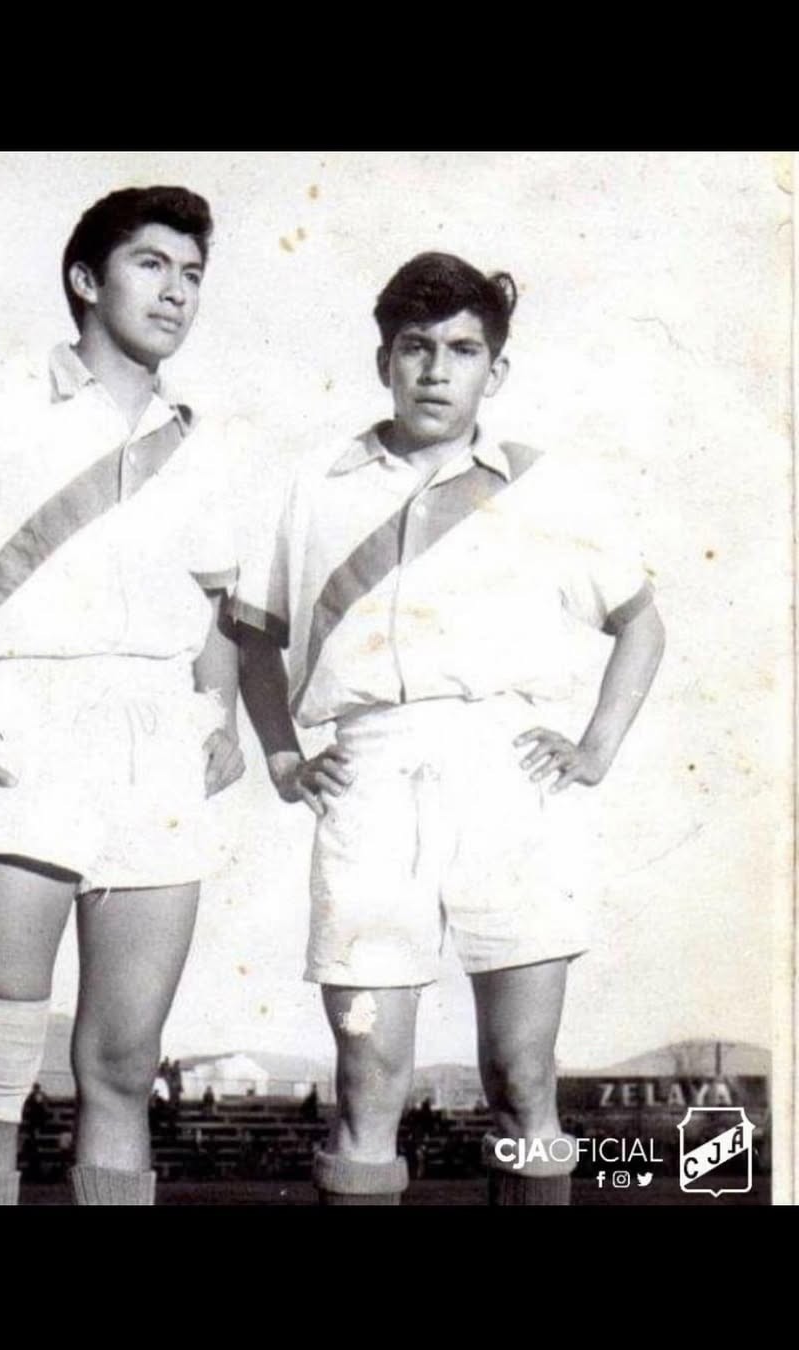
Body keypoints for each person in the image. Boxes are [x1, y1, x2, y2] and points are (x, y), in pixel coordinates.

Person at [0, 186, 244, 1206]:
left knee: (123, 1067)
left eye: (193, 274)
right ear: (85, 279)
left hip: (157, 741)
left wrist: (222, 715)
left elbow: (215, 607)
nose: (178, 291)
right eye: (152, 264)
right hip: (32, 720)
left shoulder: (197, 439)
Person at [234, 251, 665, 1206]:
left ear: (494, 370)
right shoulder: (314, 485)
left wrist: (594, 749)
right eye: (415, 347)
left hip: (507, 774)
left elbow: (642, 622)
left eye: (462, 350)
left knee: (522, 1077)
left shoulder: (547, 487)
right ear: (383, 360)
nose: (436, 370)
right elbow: (252, 635)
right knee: (367, 1080)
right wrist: (282, 754)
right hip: (371, 776)